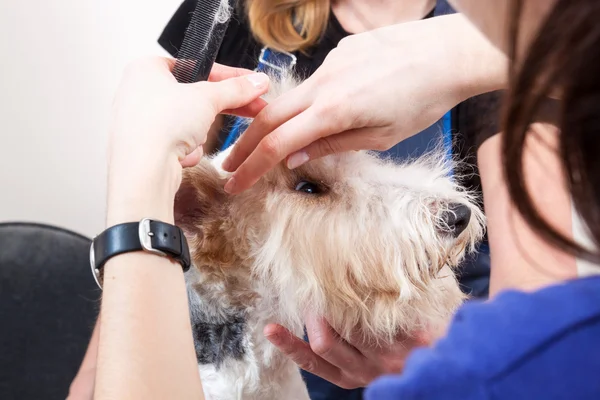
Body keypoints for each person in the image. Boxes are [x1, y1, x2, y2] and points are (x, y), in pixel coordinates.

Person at [70, 0, 599, 398]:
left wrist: (441, 361)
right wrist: (92, 380)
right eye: (311, 186)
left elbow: (533, 315)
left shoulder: (511, 29)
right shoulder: (226, 11)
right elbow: (162, 207)